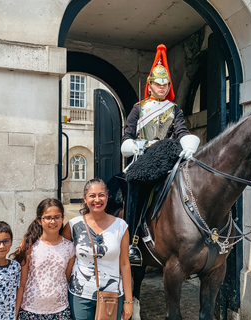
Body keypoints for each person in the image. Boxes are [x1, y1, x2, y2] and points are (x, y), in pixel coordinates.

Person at [120, 44, 200, 266]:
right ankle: (132, 243)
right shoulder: (139, 108)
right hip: (143, 158)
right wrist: (137, 146)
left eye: (165, 84)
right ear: (150, 84)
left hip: (168, 158)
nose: (162, 87)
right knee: (135, 187)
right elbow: (126, 137)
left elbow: (182, 131)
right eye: (158, 83)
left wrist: (190, 145)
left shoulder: (174, 110)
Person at [62, 178, 133, 320]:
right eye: (92, 196)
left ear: (107, 197)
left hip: (111, 295)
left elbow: (125, 264)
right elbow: (61, 254)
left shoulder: (121, 226)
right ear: (85, 199)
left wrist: (128, 300)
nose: (97, 200)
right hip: (80, 295)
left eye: (101, 195)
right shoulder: (74, 225)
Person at [12, 198, 76, 320]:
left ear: (62, 218)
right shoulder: (29, 244)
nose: (53, 221)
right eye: (48, 217)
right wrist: (15, 313)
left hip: (60, 310)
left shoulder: (69, 247)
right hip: (30, 309)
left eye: (57, 217)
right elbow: (22, 283)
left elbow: (66, 278)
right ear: (39, 221)